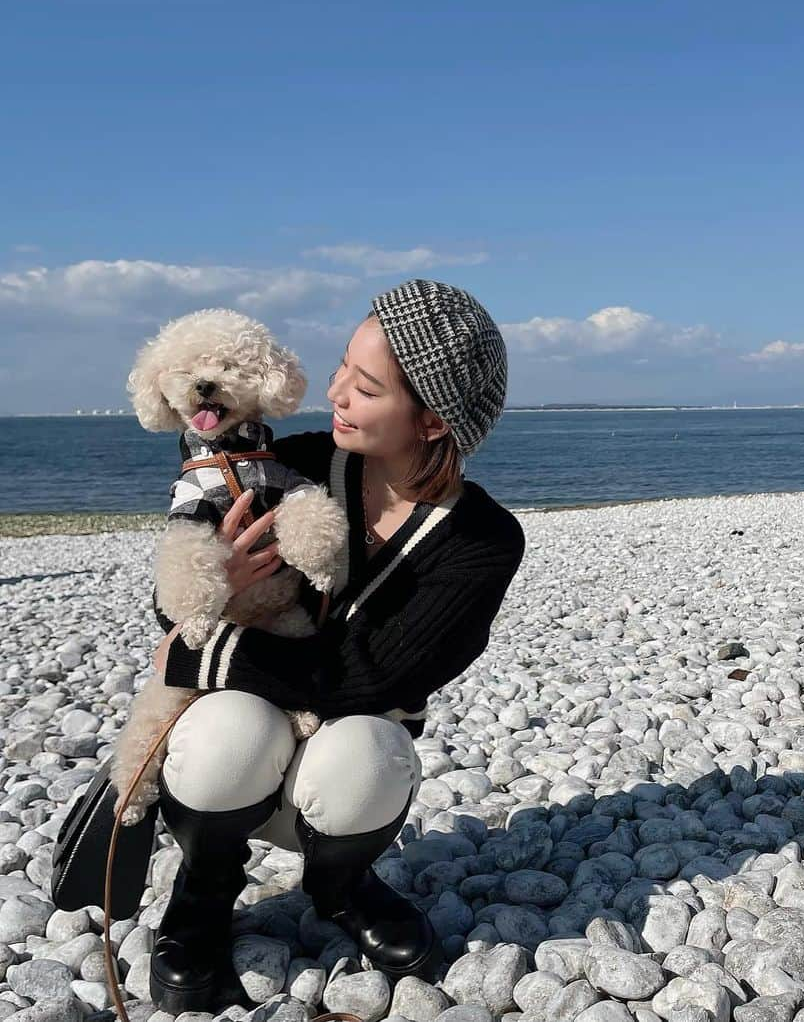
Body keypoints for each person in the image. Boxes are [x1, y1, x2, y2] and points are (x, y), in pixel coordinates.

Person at [144, 279, 526, 1014]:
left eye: (367, 387)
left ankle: (340, 888)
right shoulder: (290, 463)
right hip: (243, 741)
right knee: (230, 729)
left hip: (343, 747)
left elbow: (364, 675)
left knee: (366, 753)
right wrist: (213, 583)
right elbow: (175, 592)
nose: (337, 393)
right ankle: (203, 893)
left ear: (434, 421)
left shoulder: (482, 542)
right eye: (344, 369)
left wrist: (196, 657)